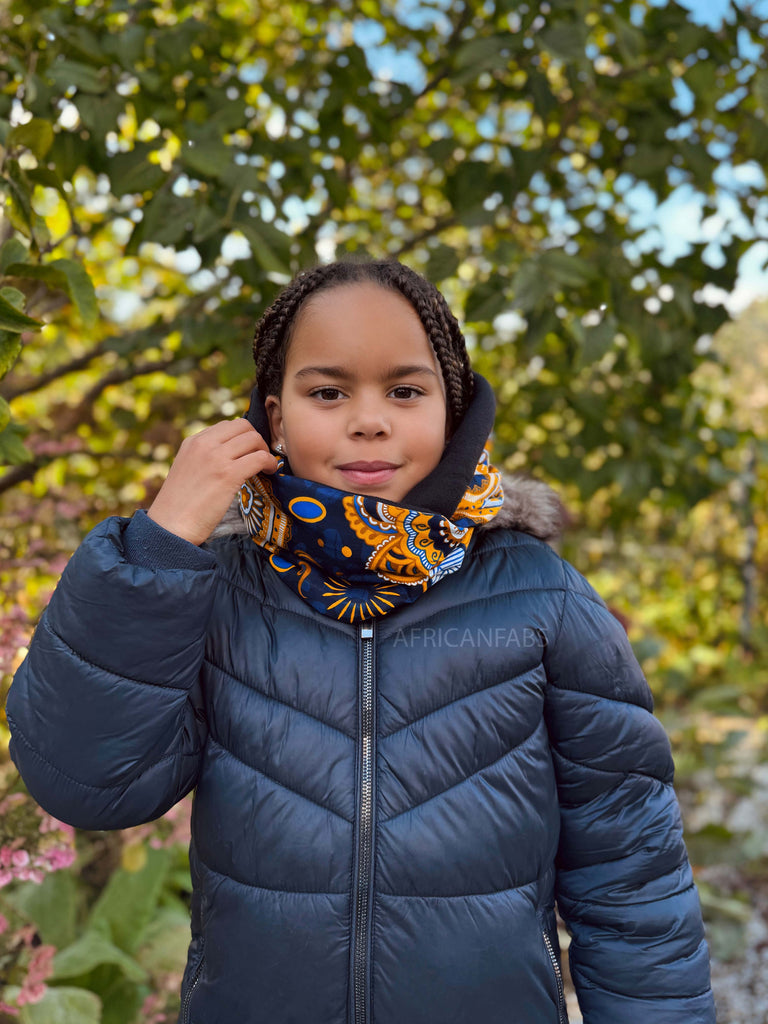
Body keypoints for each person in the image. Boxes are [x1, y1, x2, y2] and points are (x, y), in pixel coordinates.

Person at [6, 257, 715, 1024]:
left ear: (454, 411)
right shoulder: (215, 589)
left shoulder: (541, 594)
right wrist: (160, 545)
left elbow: (632, 875)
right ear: (274, 419)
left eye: (405, 391)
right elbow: (88, 783)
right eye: (328, 392)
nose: (368, 420)